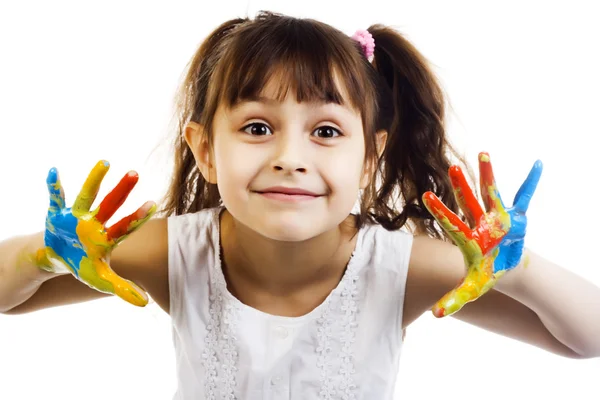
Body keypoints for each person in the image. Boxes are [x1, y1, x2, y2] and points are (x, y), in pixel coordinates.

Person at [1, 10, 598, 399]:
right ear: (205, 150)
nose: (291, 156)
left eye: (327, 132)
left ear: (369, 160)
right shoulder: (176, 253)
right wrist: (43, 256)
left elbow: (585, 339)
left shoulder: (398, 268)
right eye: (258, 128)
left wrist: (521, 270)